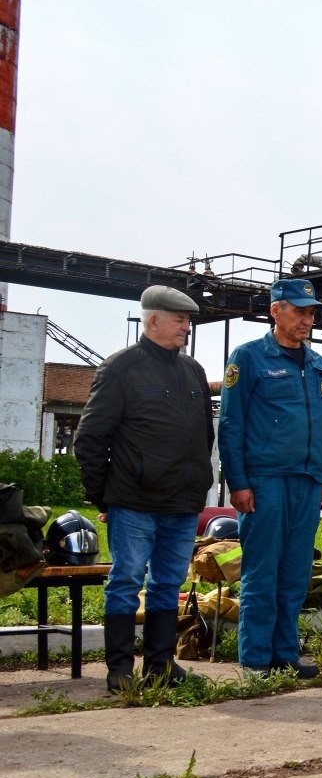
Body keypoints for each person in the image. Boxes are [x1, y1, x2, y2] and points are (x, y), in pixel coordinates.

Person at [74, 285, 214, 693]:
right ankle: (119, 668)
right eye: (179, 320)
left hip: (182, 502)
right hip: (134, 502)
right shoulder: (122, 368)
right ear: (153, 320)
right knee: (126, 580)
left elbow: (204, 435)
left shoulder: (193, 371)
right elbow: (90, 438)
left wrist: (197, 484)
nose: (186, 327)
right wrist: (106, 496)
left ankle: (160, 664)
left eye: (188, 321)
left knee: (168, 583)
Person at [219, 279, 322, 678]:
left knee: (295, 572)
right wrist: (238, 483)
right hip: (265, 480)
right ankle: (254, 659)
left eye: (311, 313)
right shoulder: (249, 357)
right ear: (276, 311)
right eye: (300, 311)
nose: (307, 320)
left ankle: (286, 653)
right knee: (262, 571)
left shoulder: (317, 363)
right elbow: (231, 424)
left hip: (306, 480)